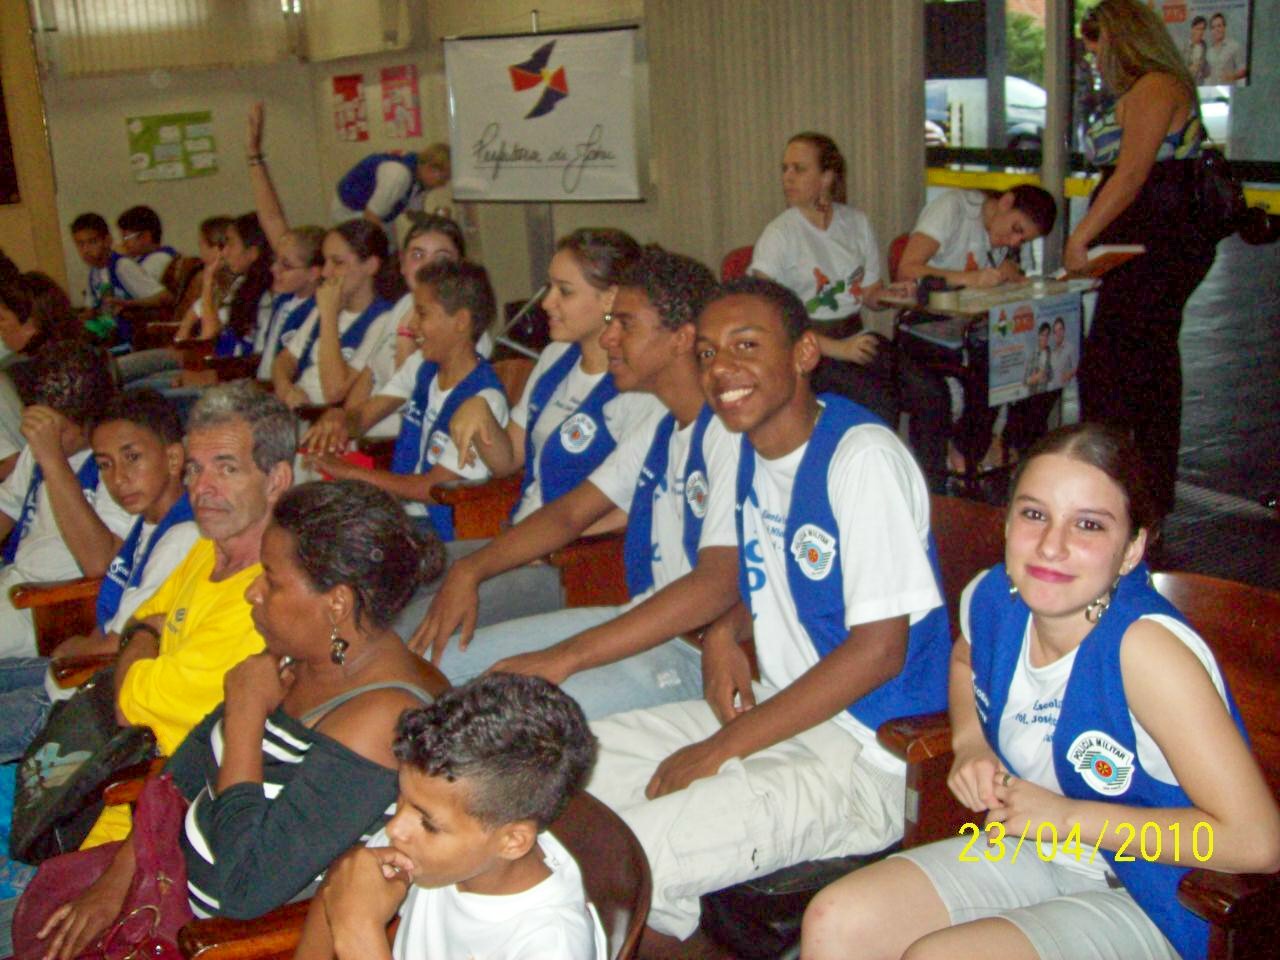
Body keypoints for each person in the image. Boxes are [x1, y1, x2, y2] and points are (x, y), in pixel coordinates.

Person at [799, 423, 1280, 960]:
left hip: (1155, 892)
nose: (1052, 545)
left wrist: (1069, 818)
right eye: (1034, 514)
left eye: (1089, 524)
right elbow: (964, 660)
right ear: (1007, 523)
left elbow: (1257, 842)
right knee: (836, 920)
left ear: (1132, 549)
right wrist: (970, 742)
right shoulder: (994, 598)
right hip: (1041, 849)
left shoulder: (1145, 652)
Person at [583, 277, 949, 948]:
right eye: (708, 353)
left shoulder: (860, 459)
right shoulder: (757, 447)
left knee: (621, 854)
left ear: (805, 353)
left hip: (865, 756)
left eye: (746, 346)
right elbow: (773, 572)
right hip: (781, 711)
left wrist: (720, 749)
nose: (721, 369)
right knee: (573, 769)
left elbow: (879, 650)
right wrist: (727, 631)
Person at [31, 480, 448, 958]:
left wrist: (246, 718)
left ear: (337, 603)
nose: (252, 592)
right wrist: (116, 882)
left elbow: (243, 887)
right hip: (156, 888)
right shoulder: (300, 656)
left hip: (212, 941)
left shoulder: (383, 721)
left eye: (271, 579)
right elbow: (182, 772)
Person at [413, 248, 742, 722]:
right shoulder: (663, 427)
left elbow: (716, 584)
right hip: (638, 618)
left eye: (625, 324)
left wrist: (565, 656)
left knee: (506, 713)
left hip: (694, 649)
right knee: (431, 666)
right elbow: (569, 512)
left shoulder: (727, 434)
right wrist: (470, 570)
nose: (608, 338)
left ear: (681, 338)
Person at [79, 380, 296, 848]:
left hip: (145, 824)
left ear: (276, 481)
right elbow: (141, 622)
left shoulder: (263, 598)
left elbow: (129, 704)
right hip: (102, 784)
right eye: (195, 469)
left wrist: (142, 636)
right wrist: (142, 636)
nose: (201, 488)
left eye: (227, 468)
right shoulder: (206, 547)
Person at [293, 673, 604, 960]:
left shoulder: (552, 946)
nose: (395, 828)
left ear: (512, 841)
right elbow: (345, 883)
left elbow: (352, 920)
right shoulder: (439, 841)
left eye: (428, 824)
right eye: (401, 797)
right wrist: (350, 912)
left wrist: (358, 933)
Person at [1069, 0, 1217, 516]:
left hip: (1153, 248)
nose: (1094, 56)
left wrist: (1080, 237)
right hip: (1144, 247)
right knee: (1141, 366)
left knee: (1116, 369)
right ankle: (1137, 494)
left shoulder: (1156, 87)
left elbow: (1132, 174)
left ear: (1121, 39)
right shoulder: (1151, 87)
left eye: (1097, 44)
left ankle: (1121, 492)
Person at [0, 389, 197, 763]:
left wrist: (76, 648)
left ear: (173, 458)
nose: (118, 478)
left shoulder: (181, 537)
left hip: (85, 701)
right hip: (70, 675)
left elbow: (121, 644)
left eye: (132, 458)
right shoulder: (147, 524)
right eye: (105, 465)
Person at [449, 227, 658, 525]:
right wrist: (480, 412)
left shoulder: (640, 387)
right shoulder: (554, 357)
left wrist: (538, 544)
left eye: (565, 291)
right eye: (550, 287)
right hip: (523, 529)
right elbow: (507, 461)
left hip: (568, 548)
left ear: (610, 298)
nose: (547, 302)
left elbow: (632, 509)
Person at [305, 260, 505, 542]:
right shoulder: (421, 366)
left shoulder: (484, 400)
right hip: (401, 514)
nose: (412, 325)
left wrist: (349, 472)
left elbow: (433, 488)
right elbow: (362, 417)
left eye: (422, 313)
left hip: (440, 529)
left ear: (461, 321)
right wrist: (340, 420)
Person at [895, 184, 1058, 486]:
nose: (1014, 241)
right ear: (1005, 202)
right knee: (994, 359)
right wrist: (970, 278)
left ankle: (1013, 446)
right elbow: (907, 269)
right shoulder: (955, 208)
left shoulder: (1006, 241)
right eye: (1016, 229)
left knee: (1045, 358)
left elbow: (1001, 281)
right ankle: (967, 451)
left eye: (1023, 239)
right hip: (926, 322)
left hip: (973, 324)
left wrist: (1013, 279)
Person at [749, 132, 896, 425]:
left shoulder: (856, 223)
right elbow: (767, 315)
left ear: (827, 177)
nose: (787, 177)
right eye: (785, 169)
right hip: (806, 347)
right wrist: (839, 350)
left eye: (799, 169)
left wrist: (893, 295)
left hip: (855, 336)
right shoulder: (780, 234)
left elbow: (870, 294)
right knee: (877, 400)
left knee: (928, 393)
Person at [0, 342, 132, 659]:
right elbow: (6, 508)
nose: (43, 434)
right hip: (14, 583)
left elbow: (100, 564)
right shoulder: (42, 445)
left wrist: (52, 459)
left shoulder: (117, 466)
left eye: (58, 429)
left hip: (51, 608)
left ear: (90, 424)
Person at [271, 219, 400, 409]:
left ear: (371, 265)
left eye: (338, 262)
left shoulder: (384, 320)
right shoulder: (326, 305)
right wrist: (286, 390)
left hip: (327, 416)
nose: (325, 272)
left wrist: (329, 316)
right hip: (297, 407)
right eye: (325, 261)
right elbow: (285, 360)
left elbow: (335, 392)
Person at [0, 271, 80, 479]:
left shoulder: (21, 375)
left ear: (31, 325)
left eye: (2, 319)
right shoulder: (85, 356)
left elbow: (12, 464)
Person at [70, 213, 171, 341]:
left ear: (107, 241)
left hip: (131, 340)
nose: (85, 250)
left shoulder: (122, 266)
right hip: (108, 338)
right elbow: (91, 311)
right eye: (80, 244)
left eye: (92, 242)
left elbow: (166, 297)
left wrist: (128, 304)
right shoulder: (94, 272)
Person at [331, 144, 452, 231]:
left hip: (376, 212)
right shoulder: (398, 175)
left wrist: (436, 223)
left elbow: (413, 213)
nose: (443, 184)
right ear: (431, 168)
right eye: (443, 178)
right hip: (351, 210)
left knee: (391, 247)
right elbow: (371, 216)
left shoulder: (420, 177)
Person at [116, 205, 178, 281]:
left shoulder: (157, 260)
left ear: (145, 237)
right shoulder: (144, 259)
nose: (123, 243)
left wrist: (119, 259)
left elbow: (134, 285)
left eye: (126, 237)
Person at [1204, 12, 1246, 85]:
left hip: (1229, 89)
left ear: (1224, 27)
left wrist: (1231, 76)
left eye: (1219, 26)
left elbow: (1243, 70)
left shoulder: (1234, 46)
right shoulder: (1209, 52)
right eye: (1213, 27)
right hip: (1212, 89)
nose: (1216, 29)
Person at [1049, 316, 1077, 392]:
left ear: (1064, 331)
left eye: (1060, 329)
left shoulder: (1070, 348)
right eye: (1055, 331)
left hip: (1068, 390)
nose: (1058, 333)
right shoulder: (1052, 353)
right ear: (1054, 335)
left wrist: (1069, 374)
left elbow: (1077, 368)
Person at [1024, 322, 1053, 394]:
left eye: (1047, 335)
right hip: (1033, 395)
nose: (1044, 338)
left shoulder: (1050, 354)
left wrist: (1046, 376)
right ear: (1039, 336)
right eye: (1042, 335)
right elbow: (1025, 381)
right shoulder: (1032, 355)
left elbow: (1051, 376)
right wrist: (1035, 378)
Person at [1183, 16, 1209, 85]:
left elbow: (1207, 71)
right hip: (1187, 84)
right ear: (1192, 29)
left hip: (1201, 85)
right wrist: (1190, 69)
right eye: (1198, 29)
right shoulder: (1184, 47)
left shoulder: (1205, 47)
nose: (1200, 32)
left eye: (1202, 29)